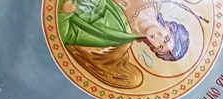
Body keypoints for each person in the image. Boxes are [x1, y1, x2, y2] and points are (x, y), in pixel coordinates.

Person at [58, 0, 190, 88]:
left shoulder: (118, 36)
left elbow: (67, 35)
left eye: (159, 47)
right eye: (166, 38)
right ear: (168, 26)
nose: (157, 39)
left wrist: (64, 13)